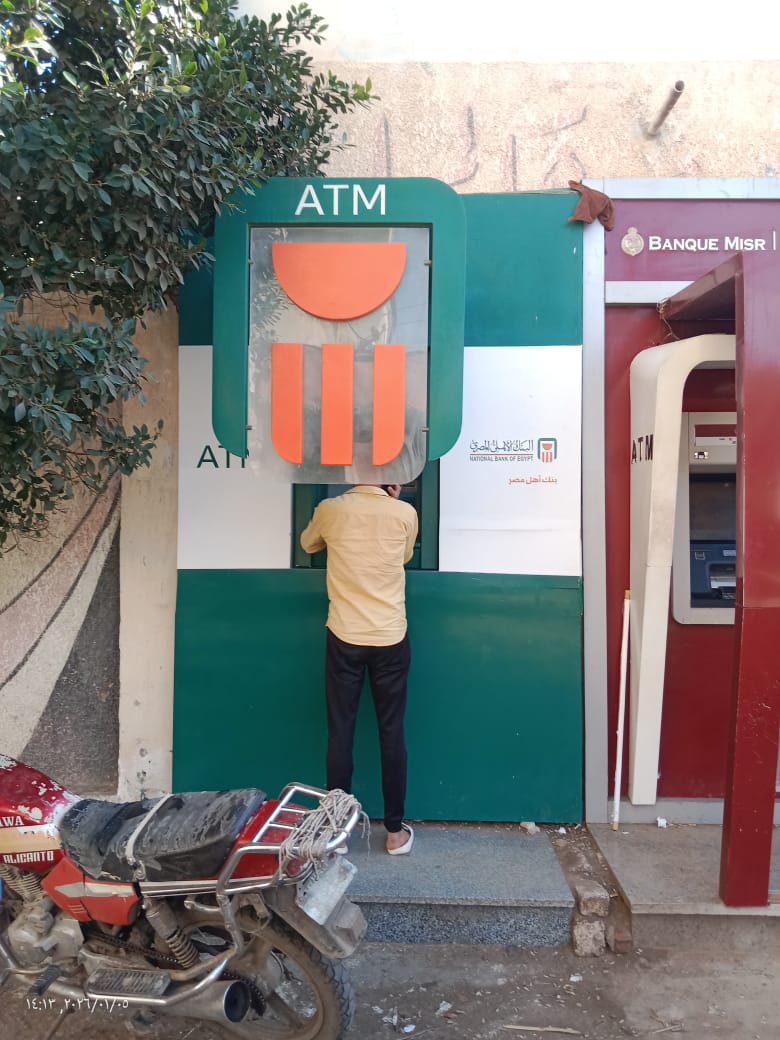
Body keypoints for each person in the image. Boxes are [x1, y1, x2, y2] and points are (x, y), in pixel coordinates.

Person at [300, 483, 418, 854]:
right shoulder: (404, 512)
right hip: (390, 636)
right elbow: (403, 556)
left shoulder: (330, 509)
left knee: (341, 731)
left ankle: (337, 832)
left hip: (345, 635)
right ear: (392, 479)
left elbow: (307, 544)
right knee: (392, 732)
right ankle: (395, 832)